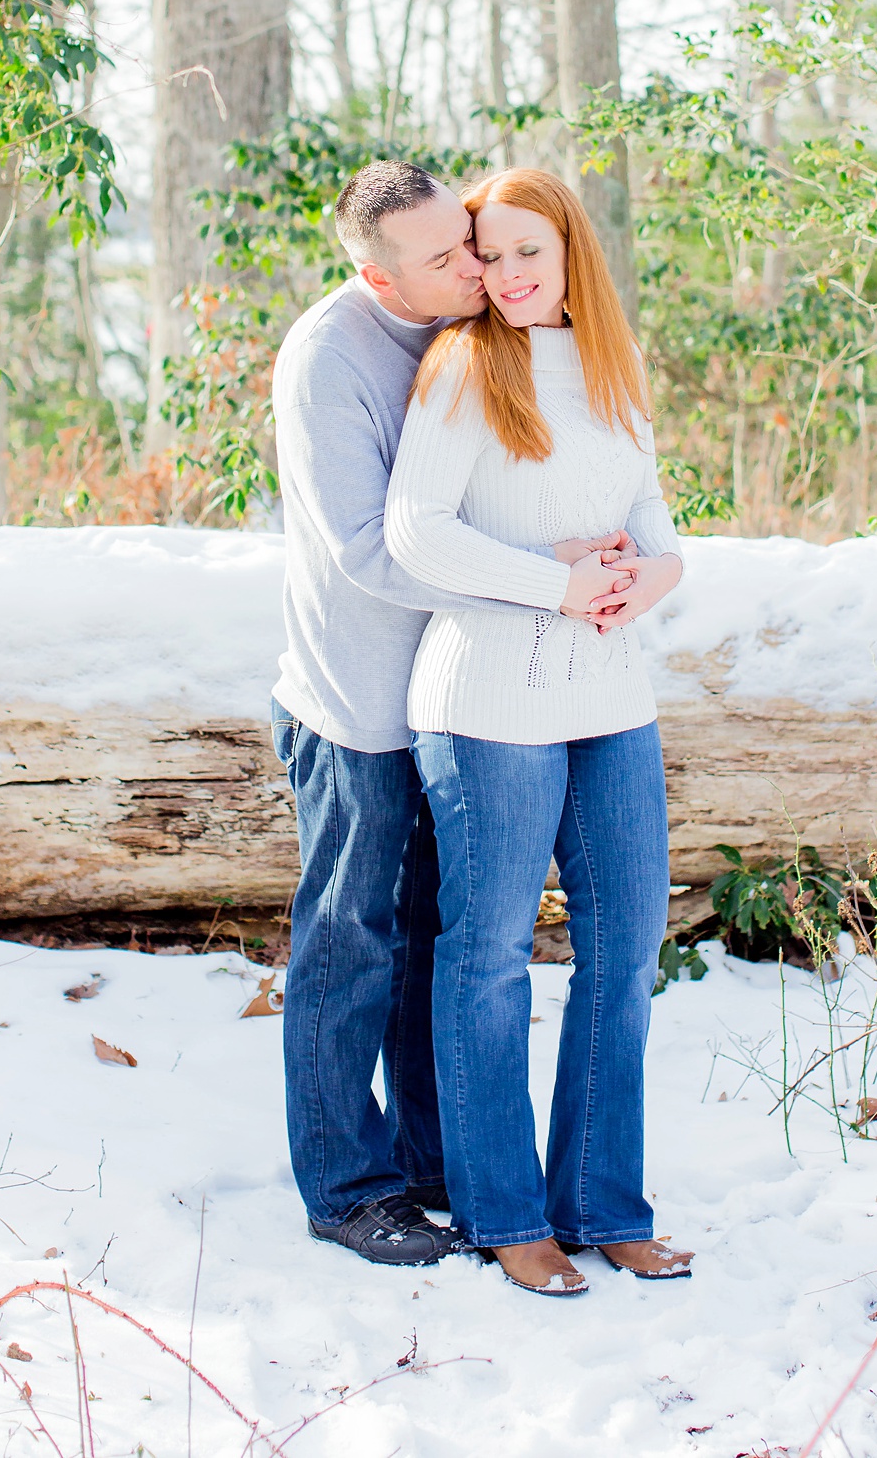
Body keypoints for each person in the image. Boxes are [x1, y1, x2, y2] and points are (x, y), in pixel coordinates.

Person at [269, 161, 639, 1267]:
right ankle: (346, 1187)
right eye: (447, 258)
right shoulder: (329, 359)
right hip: (356, 701)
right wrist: (549, 578)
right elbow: (376, 549)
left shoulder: (480, 326)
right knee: (350, 944)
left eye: (470, 240)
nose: (477, 265)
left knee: (442, 934)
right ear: (384, 280)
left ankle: (438, 1161)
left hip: (458, 695)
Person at [383, 166, 692, 1298]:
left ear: (570, 253)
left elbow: (654, 523)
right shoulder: (467, 365)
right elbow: (415, 534)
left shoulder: (608, 365)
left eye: (527, 252)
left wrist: (642, 576)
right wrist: (550, 587)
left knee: (622, 955)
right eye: (489, 254)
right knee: (491, 959)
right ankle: (506, 1217)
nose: (505, 275)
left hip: (610, 697)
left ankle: (607, 1205)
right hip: (488, 704)